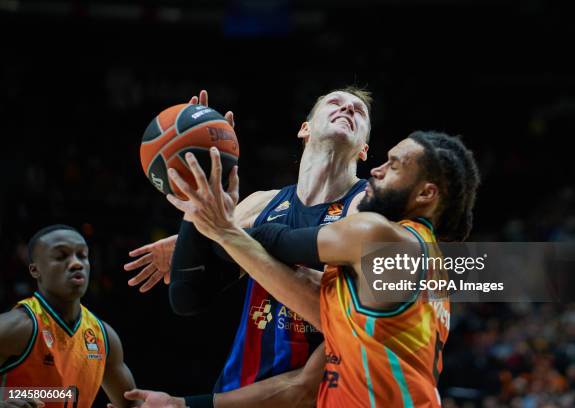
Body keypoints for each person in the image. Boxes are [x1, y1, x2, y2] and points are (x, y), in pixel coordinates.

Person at [148, 130, 480, 407]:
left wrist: (213, 227)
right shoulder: (429, 267)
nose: (377, 170)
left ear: (426, 193)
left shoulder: (376, 235)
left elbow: (272, 237)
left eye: (392, 166)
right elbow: (303, 287)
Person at [124, 87, 372, 406]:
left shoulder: (368, 210)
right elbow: (188, 296)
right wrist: (198, 194)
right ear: (304, 128)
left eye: (359, 111)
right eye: (335, 103)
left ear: (364, 149)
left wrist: (226, 233)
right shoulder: (261, 204)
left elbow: (307, 387)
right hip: (236, 389)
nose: (347, 109)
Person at [0, 225, 140, 408]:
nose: (76, 263)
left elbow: (132, 404)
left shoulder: (104, 337)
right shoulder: (15, 328)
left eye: (82, 255)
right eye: (61, 256)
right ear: (35, 270)